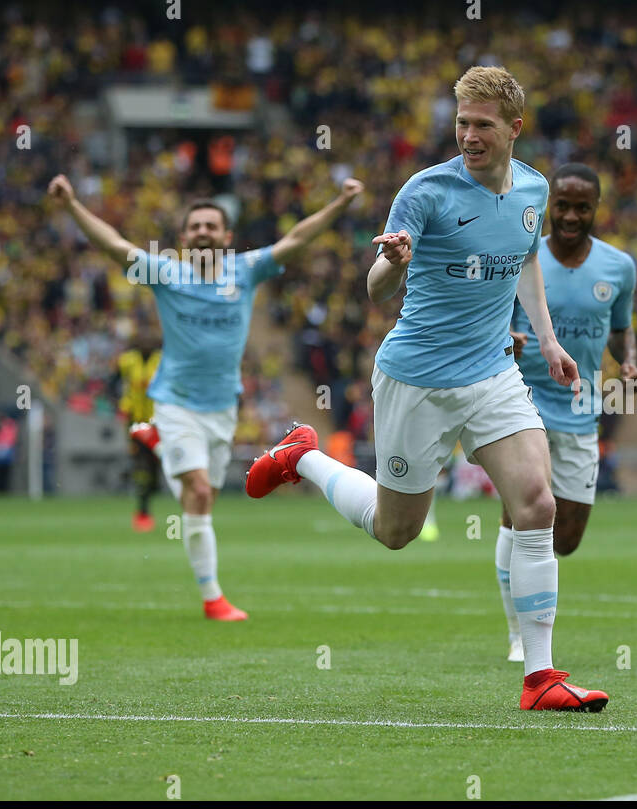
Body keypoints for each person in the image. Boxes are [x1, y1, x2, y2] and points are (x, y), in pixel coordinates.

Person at [245, 66, 608, 711]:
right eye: (462, 122)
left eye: (482, 125)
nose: (468, 135)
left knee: (537, 506)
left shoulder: (534, 187)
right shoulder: (425, 192)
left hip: (494, 373)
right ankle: (303, 457)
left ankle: (541, 678)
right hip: (417, 377)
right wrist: (395, 262)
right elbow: (376, 288)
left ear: (514, 129)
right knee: (395, 531)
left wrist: (547, 340)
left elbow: (525, 258)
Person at [47, 172, 365, 620]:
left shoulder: (247, 269)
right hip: (175, 400)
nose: (202, 231)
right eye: (195, 226)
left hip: (222, 407)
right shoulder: (164, 272)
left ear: (226, 235)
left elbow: (296, 239)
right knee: (196, 491)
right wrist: (72, 204)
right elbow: (114, 245)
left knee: (203, 500)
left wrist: (341, 203)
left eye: (210, 225)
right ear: (182, 237)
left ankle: (158, 446)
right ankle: (213, 599)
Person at [496, 162, 637, 662]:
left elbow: (622, 327)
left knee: (568, 537)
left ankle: (528, 583)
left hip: (581, 406)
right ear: (548, 204)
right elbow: (496, 315)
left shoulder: (619, 266)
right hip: (523, 399)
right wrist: (506, 339)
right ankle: (520, 635)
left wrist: (631, 361)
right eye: (563, 205)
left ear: (596, 208)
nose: (572, 215)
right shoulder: (521, 257)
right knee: (523, 515)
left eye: (583, 207)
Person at [116, 330, 162, 532]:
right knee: (142, 463)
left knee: (156, 465)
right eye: (142, 339)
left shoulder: (163, 361)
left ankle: (150, 488)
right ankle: (143, 511)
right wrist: (121, 405)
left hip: (159, 422)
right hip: (136, 420)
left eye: (149, 339)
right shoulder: (127, 361)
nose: (146, 341)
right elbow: (114, 381)